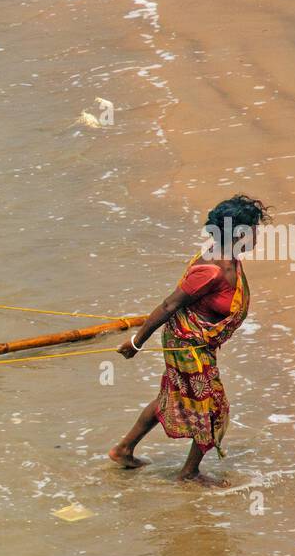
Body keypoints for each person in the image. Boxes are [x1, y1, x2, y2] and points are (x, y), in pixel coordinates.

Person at [108, 195, 271, 484]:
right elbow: (170, 305)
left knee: (170, 397)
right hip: (187, 346)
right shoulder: (211, 269)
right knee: (214, 407)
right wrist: (136, 343)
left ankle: (124, 449)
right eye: (254, 229)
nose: (258, 235)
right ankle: (189, 473)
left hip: (198, 343)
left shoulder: (227, 258)